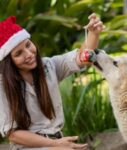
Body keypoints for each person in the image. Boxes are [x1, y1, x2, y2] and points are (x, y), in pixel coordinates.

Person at [0, 13, 105, 150]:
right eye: (18, 54)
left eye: (28, 45)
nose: (29, 54)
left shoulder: (49, 66)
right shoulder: (3, 85)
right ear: (9, 62)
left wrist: (93, 34)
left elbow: (82, 58)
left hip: (57, 142)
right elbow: (13, 135)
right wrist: (55, 145)